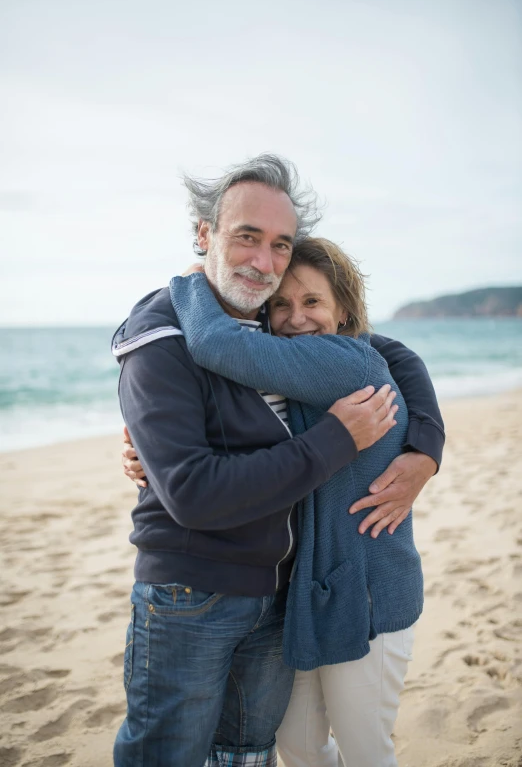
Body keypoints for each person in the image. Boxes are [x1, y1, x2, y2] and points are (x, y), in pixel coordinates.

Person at [114, 154, 444, 767]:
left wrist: (427, 447)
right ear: (206, 232)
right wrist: (150, 444)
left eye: (281, 248)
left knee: (313, 750)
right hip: (239, 592)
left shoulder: (328, 358)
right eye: (247, 237)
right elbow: (191, 472)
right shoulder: (231, 343)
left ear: (345, 314)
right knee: (259, 748)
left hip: (334, 593)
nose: (294, 320)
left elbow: (389, 354)